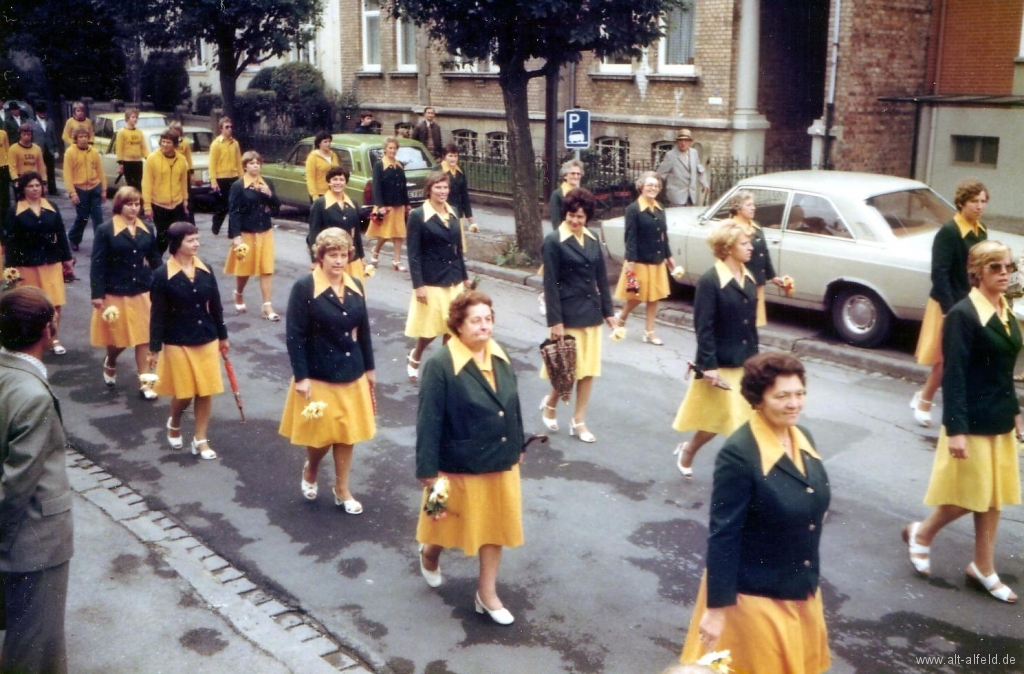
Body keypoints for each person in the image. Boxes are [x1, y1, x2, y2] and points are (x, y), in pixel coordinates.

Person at [679, 352, 831, 674]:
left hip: (799, 590)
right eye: (782, 396)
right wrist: (716, 609)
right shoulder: (738, 454)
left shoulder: (803, 438)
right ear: (758, 400)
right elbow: (724, 534)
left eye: (800, 394)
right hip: (754, 600)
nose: (794, 404)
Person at [904, 240, 1021, 604]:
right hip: (970, 422)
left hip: (998, 418)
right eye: (996, 268)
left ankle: (982, 567)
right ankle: (922, 534)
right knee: (971, 497)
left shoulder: (1004, 309)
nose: (1005, 274)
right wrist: (955, 429)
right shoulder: (963, 315)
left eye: (1009, 267)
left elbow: (1004, 370)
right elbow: (952, 375)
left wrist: (1016, 414)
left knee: (992, 498)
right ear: (977, 272)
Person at [415, 289, 525, 625]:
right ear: (458, 326)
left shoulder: (499, 354)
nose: (484, 327)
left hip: (498, 460)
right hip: (458, 463)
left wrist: (518, 446)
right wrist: (428, 470)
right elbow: (428, 419)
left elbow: (511, 405)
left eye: (488, 320)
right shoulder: (440, 365)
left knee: (495, 527)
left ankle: (486, 593)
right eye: (476, 320)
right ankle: (429, 553)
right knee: (445, 525)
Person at [0, 286, 74, 674]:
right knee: (36, 650)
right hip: (34, 542)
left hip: (18, 544)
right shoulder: (33, 394)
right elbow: (17, 485)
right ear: (48, 329)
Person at [280, 228, 376, 514]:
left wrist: (369, 368)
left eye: (343, 254)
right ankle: (311, 467)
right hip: (319, 372)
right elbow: (294, 335)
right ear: (320, 257)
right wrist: (301, 376)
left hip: (352, 371)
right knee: (322, 435)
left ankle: (341, 488)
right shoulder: (304, 287)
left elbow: (365, 330)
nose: (338, 261)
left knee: (347, 434)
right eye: (332, 255)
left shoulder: (356, 284)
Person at [671, 220, 757, 477]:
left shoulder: (748, 277)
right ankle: (689, 450)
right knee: (716, 421)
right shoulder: (711, 281)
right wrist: (709, 366)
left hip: (745, 362)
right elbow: (703, 327)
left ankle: (748, 475)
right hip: (720, 364)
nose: (750, 247)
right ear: (728, 248)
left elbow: (750, 324)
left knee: (745, 421)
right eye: (745, 243)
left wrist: (757, 361)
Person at [540, 187, 617, 443]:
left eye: (581, 217)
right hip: (568, 314)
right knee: (567, 371)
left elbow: (601, 280)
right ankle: (551, 403)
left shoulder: (593, 238)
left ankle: (578, 420)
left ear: (587, 218)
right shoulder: (553, 241)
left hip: (592, 313)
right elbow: (550, 283)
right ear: (565, 214)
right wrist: (556, 321)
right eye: (572, 215)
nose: (575, 221)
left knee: (587, 371)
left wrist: (609, 312)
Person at [911, 179, 989, 427]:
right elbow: (939, 274)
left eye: (983, 201)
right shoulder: (949, 232)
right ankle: (924, 402)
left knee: (968, 358)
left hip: (971, 303)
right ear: (961, 203)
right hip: (948, 305)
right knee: (944, 359)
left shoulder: (981, 231)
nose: (979, 206)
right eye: (974, 201)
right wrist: (949, 310)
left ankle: (935, 399)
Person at [147, 222, 228, 461]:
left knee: (205, 391)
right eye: (191, 240)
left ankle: (200, 439)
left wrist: (223, 336)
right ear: (176, 244)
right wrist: (154, 348)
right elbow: (157, 314)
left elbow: (216, 306)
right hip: (177, 340)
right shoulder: (161, 275)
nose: (197, 244)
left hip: (206, 337)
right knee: (184, 393)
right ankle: (174, 421)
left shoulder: (206, 269)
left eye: (197, 239)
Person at [90, 186, 162, 399]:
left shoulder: (147, 228)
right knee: (118, 340)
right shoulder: (105, 230)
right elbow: (98, 264)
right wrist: (97, 293)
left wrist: (165, 282)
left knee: (144, 338)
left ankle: (146, 382)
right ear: (119, 206)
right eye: (129, 204)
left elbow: (155, 259)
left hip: (142, 290)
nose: (134, 208)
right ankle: (111, 360)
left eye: (137, 204)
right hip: (115, 292)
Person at [404, 171, 468, 382]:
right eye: (438, 187)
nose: (442, 192)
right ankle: (416, 354)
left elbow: (458, 248)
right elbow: (414, 253)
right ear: (429, 190)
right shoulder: (418, 215)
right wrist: (418, 285)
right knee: (431, 328)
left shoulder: (453, 212)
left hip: (454, 279)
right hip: (432, 280)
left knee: (451, 326)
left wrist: (465, 277)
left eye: (445, 187)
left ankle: (445, 369)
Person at [3, 172, 74, 355]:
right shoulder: (15, 211)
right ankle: (32, 339)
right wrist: (10, 269)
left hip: (51, 262)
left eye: (38, 185)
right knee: (30, 303)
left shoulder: (52, 207)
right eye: (31, 186)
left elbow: (61, 234)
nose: (35, 189)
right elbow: (11, 242)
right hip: (27, 264)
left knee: (54, 302)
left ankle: (54, 338)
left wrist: (67, 259)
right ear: (23, 189)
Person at [612, 171, 678, 345]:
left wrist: (669, 256)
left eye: (656, 186)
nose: (653, 188)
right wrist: (630, 261)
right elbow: (630, 237)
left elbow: (663, 234)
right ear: (641, 187)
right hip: (639, 259)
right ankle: (623, 315)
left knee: (654, 296)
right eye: (649, 185)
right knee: (637, 295)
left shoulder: (660, 207)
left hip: (656, 259)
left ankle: (649, 331)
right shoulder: (633, 209)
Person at [225, 150, 281, 321]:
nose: (255, 166)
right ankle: (239, 293)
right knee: (244, 269)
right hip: (246, 233)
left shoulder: (267, 183)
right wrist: (236, 236)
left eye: (257, 163)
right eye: (251, 163)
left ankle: (267, 305)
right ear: (245, 166)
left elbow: (277, 208)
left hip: (265, 231)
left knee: (266, 268)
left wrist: (269, 195)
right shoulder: (238, 186)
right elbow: (234, 212)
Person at [729, 190, 784, 327]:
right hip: (740, 283)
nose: (753, 208)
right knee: (739, 321)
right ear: (738, 208)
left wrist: (772, 276)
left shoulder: (756, 226)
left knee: (752, 322)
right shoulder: (731, 227)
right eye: (748, 205)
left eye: (753, 204)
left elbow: (764, 253)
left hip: (756, 282)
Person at [307, 167, 365, 279]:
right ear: (329, 182)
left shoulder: (353, 203)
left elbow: (356, 233)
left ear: (346, 183)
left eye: (341, 179)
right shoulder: (320, 204)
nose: (338, 183)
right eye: (335, 179)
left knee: (355, 292)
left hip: (351, 258)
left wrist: (361, 257)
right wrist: (315, 260)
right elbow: (313, 234)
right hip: (330, 259)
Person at [142, 130, 189, 255]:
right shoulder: (152, 159)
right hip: (159, 205)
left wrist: (185, 201)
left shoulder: (181, 159)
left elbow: (183, 182)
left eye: (168, 142)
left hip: (177, 204)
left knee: (178, 238)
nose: (164, 145)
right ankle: (154, 264)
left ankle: (176, 264)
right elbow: (146, 183)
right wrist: (147, 206)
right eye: (163, 142)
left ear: (174, 145)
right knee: (162, 239)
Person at [367, 136, 409, 272]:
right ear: (385, 149)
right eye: (390, 148)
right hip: (386, 205)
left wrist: (407, 203)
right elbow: (376, 187)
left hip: (399, 204)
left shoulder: (399, 165)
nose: (393, 150)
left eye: (395, 148)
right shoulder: (379, 165)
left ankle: (397, 261)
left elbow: (403, 186)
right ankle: (375, 251)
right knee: (385, 234)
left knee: (399, 234)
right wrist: (380, 206)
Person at [64, 125, 107, 251]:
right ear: (75, 139)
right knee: (82, 216)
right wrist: (72, 193)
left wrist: (103, 190)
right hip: (80, 189)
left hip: (95, 187)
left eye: (85, 136)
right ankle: (74, 238)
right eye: (80, 137)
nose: (83, 139)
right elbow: (67, 175)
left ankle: (100, 243)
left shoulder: (94, 152)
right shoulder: (70, 153)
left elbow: (100, 172)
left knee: (98, 217)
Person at [657, 129, 709, 207]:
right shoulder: (670, 155)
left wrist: (704, 184)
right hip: (676, 197)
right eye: (681, 140)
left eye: (686, 140)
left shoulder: (694, 153)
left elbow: (699, 170)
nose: (683, 143)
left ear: (690, 142)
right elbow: (660, 174)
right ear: (677, 142)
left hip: (691, 195)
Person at [209, 116, 242, 236]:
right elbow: (212, 164)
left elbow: (239, 162)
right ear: (221, 129)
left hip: (233, 177)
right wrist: (213, 181)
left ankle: (231, 231)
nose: (229, 129)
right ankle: (216, 225)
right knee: (222, 206)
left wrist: (242, 178)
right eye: (227, 127)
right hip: (221, 178)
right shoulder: (216, 144)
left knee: (233, 205)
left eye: (231, 127)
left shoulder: (235, 144)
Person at [440, 143, 476, 238]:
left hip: (457, 213)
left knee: (458, 244)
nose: (453, 159)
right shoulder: (438, 170)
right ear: (444, 157)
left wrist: (471, 221)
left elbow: (464, 196)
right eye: (450, 156)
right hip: (442, 213)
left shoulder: (460, 171)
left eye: (455, 156)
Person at [168, 121, 196, 224]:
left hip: (184, 173)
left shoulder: (185, 143)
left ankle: (190, 221)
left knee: (188, 199)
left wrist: (191, 173)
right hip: (172, 174)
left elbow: (188, 159)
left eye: (178, 131)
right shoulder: (168, 143)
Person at [31, 102, 61, 193]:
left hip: (49, 149)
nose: (42, 114)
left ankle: (52, 189)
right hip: (38, 149)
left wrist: (56, 149)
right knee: (38, 170)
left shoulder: (50, 121)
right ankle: (39, 189)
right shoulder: (31, 122)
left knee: (50, 170)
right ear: (37, 112)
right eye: (40, 112)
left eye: (44, 112)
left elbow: (53, 136)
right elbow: (31, 137)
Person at [9, 123, 45, 197]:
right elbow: (12, 166)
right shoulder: (13, 148)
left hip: (34, 178)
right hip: (21, 178)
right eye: (24, 134)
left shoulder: (37, 149)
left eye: (29, 134)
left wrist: (44, 181)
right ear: (20, 135)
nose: (26, 137)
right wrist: (15, 179)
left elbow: (41, 166)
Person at [115, 107, 145, 191]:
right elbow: (119, 149)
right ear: (127, 118)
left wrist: (148, 157)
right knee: (131, 185)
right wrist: (120, 164)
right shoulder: (122, 132)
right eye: (133, 117)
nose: (135, 119)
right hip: (127, 162)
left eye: (136, 117)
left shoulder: (139, 132)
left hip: (138, 162)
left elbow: (143, 147)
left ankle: (138, 202)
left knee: (138, 184)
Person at [549, 159, 584, 230]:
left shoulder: (582, 193)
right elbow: (556, 222)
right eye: (573, 173)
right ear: (565, 176)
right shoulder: (557, 195)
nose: (576, 176)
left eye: (578, 174)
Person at [305, 131, 338, 202]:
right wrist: (314, 195)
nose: (328, 144)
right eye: (325, 142)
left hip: (333, 192)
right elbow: (310, 178)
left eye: (329, 141)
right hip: (320, 193)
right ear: (319, 143)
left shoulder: (333, 155)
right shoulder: (312, 157)